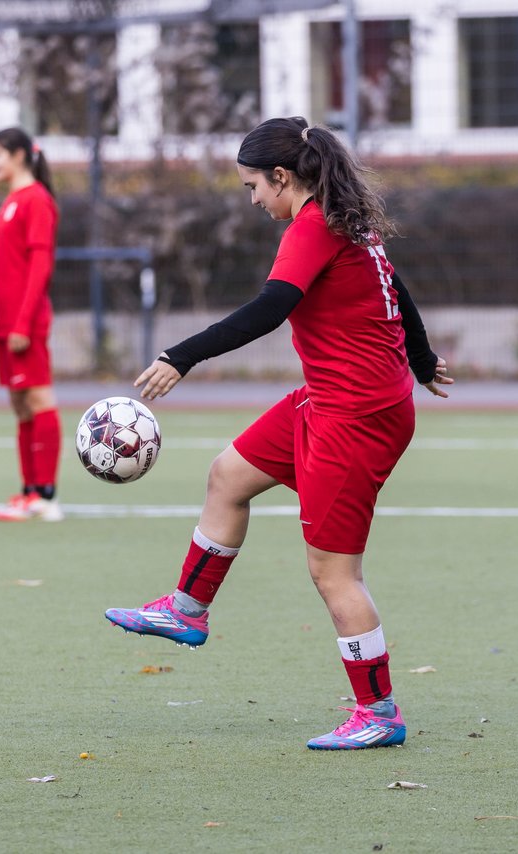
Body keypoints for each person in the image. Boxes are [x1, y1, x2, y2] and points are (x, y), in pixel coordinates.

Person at [104, 117, 453, 750]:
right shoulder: (344, 222)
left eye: (252, 187)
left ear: (282, 177)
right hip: (331, 400)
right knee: (227, 476)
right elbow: (396, 289)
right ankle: (186, 610)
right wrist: (423, 362)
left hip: (356, 417)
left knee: (333, 574)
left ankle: (379, 713)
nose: (253, 199)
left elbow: (271, 308)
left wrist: (180, 356)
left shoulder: (314, 225)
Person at [0, 128, 63, 523]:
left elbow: (40, 266)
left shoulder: (36, 200)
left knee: (38, 399)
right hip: (8, 323)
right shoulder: (12, 201)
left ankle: (47, 496)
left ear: (18, 155)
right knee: (20, 405)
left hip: (25, 324)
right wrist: (0, 322)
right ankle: (29, 491)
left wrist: (23, 321)